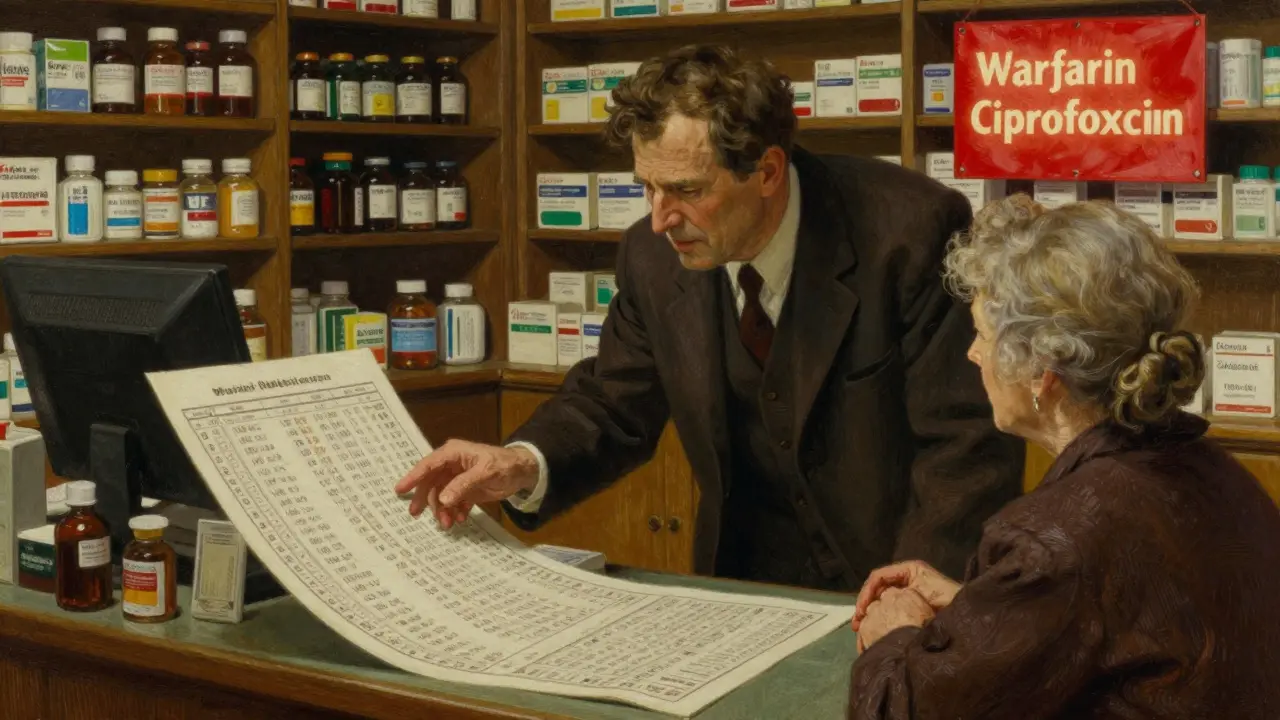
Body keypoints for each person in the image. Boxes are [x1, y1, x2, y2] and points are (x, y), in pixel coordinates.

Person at [394, 44, 1024, 591]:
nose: (661, 217)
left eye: (689, 191)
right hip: (742, 580)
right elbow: (614, 400)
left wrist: (915, 594)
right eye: (647, 186)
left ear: (768, 171)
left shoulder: (908, 232)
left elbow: (965, 445)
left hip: (893, 572)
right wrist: (523, 463)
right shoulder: (651, 253)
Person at [847, 195, 1280, 719]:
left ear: (1041, 373)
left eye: (982, 334)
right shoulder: (1211, 469)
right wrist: (981, 604)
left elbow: (901, 709)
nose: (973, 354)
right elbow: (1120, 629)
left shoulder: (1056, 541)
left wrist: (899, 632)